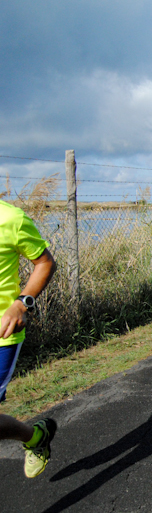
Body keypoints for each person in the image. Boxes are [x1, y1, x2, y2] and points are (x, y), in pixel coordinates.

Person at [0, 200, 57, 478]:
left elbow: (45, 262)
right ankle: (35, 437)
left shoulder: (10, 218)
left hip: (2, 336)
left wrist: (21, 303)